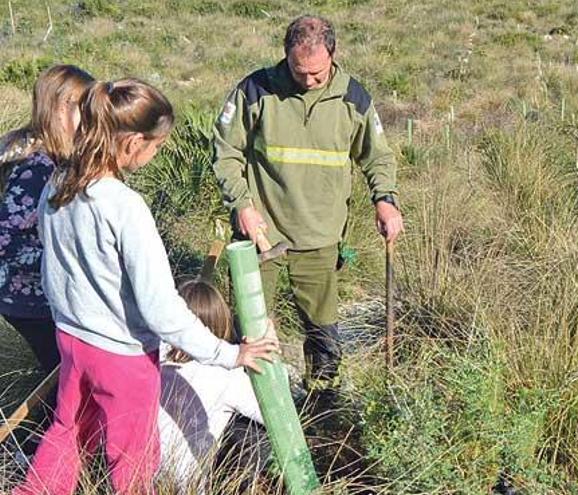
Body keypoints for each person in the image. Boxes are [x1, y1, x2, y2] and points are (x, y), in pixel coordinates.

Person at [15, 79, 279, 495]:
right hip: (122, 357)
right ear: (134, 142)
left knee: (67, 432)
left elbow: (54, 268)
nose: (156, 154)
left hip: (72, 340)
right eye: (156, 146)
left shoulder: (59, 184)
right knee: (133, 463)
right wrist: (228, 354)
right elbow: (162, 309)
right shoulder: (124, 206)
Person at [213, 14, 403, 388]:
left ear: (332, 55)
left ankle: (322, 404)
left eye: (317, 74)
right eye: (299, 72)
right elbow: (226, 151)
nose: (308, 81)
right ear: (286, 56)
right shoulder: (256, 90)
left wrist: (385, 200)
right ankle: (252, 407)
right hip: (260, 232)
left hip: (320, 233)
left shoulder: (354, 98)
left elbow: (377, 156)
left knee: (322, 331)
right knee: (250, 328)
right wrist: (242, 206)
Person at [0, 65, 94, 374]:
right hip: (29, 296)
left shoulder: (42, 154)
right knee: (67, 375)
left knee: (64, 374)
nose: (92, 119)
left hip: (34, 293)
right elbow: (6, 238)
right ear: (60, 108)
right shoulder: (35, 166)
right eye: (85, 108)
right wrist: (65, 258)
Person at [159, 278, 273, 494]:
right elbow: (274, 414)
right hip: (187, 486)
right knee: (255, 430)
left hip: (138, 475)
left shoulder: (152, 359)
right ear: (223, 322)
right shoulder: (227, 377)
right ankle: (232, 489)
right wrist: (269, 355)